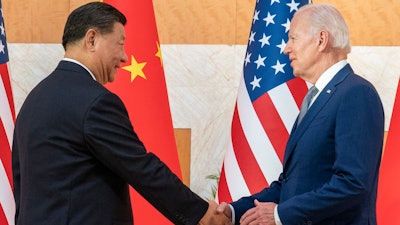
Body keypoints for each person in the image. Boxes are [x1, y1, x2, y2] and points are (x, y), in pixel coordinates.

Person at [12, 2, 231, 225]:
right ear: (92, 39)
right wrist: (200, 214)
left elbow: (20, 186)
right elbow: (141, 167)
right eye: (120, 44)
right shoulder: (95, 101)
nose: (125, 57)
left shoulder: (34, 99)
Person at [217, 3, 384, 225]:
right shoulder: (315, 98)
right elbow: (290, 185)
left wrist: (280, 215)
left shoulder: (356, 93)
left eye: (293, 38)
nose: (286, 49)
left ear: (321, 40)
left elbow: (352, 183)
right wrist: (233, 211)